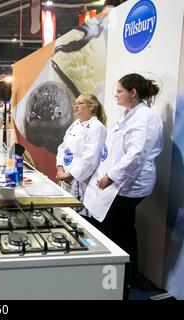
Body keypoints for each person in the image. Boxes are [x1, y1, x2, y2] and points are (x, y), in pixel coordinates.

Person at [83, 73, 163, 284]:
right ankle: (117, 277)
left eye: (119, 91)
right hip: (116, 180)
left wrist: (111, 176)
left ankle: (123, 280)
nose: (116, 95)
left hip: (130, 184)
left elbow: (136, 155)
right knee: (116, 229)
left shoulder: (145, 118)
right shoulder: (128, 114)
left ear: (133, 93)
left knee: (120, 233)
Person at [56, 94, 107, 216]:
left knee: (80, 217)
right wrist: (59, 167)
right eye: (75, 103)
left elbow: (90, 157)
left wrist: (71, 174)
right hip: (65, 178)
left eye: (80, 103)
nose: (76, 106)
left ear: (91, 107)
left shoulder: (97, 127)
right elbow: (63, 147)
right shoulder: (75, 124)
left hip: (81, 181)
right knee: (65, 214)